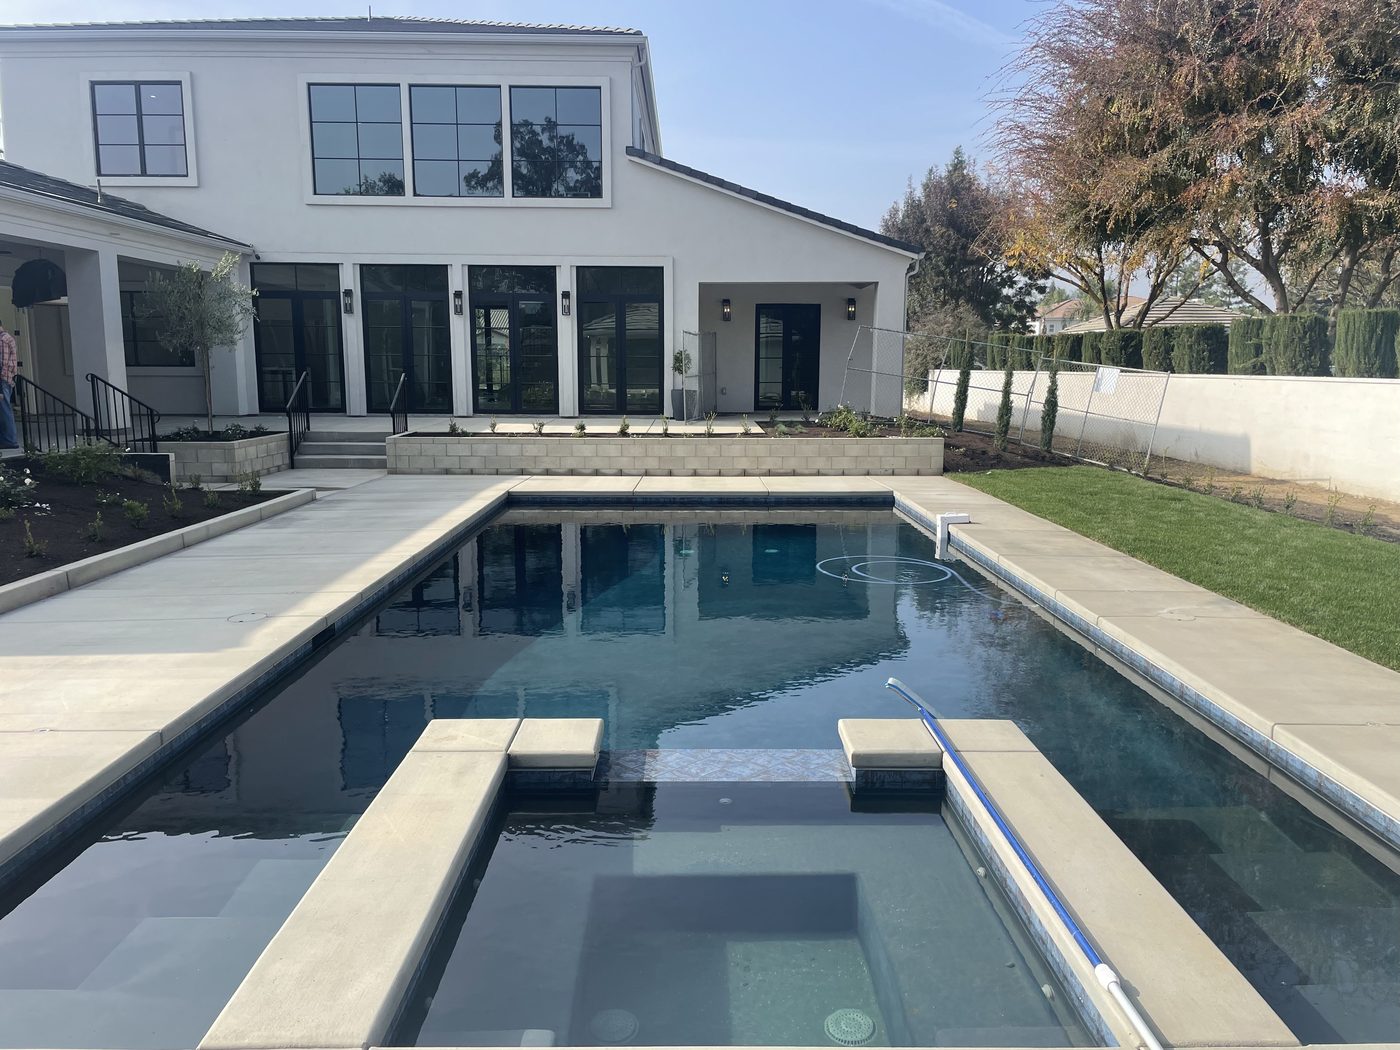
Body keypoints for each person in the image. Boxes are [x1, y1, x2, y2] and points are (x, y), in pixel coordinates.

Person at [0, 320, 16, 449]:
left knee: (4, 409)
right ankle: (7, 438)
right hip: (7, 379)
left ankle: (9, 440)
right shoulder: (8, 338)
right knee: (5, 409)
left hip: (2, 380)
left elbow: (2, 362)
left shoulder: (2, 339)